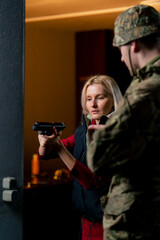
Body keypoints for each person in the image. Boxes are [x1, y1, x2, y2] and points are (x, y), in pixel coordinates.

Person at [86, 4, 160, 240]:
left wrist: (104, 136)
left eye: (120, 49)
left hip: (137, 225)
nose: (120, 57)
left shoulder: (147, 89)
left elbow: (99, 159)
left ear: (133, 44)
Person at [38, 75, 123, 240]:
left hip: (108, 221)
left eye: (100, 97)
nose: (93, 104)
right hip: (86, 217)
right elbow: (46, 155)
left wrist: (58, 147)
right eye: (89, 98)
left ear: (113, 100)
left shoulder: (116, 134)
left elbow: (94, 181)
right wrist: (45, 142)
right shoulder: (83, 129)